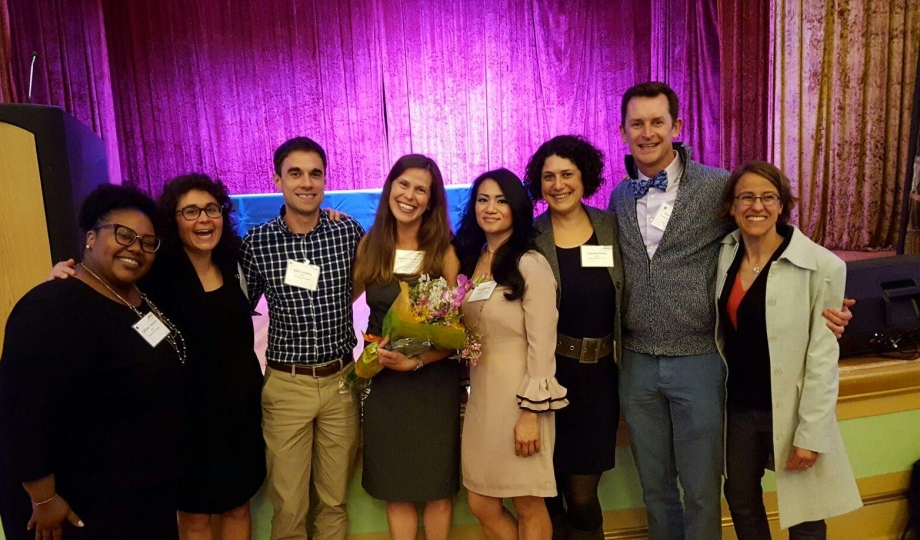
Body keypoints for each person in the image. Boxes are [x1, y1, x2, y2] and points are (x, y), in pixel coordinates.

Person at [606, 81, 854, 540]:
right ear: (623, 131)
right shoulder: (620, 197)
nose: (647, 133)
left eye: (657, 122)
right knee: (655, 488)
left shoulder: (720, 185)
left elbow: (773, 232)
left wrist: (826, 295)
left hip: (699, 359)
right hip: (637, 361)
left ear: (676, 127)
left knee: (701, 490)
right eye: (637, 124)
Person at [44, 175, 267, 540]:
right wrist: (64, 273)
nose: (203, 219)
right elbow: (106, 284)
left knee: (238, 506)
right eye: (190, 211)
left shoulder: (232, 261)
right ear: (173, 220)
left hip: (238, 412)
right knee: (195, 515)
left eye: (211, 209)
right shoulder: (156, 271)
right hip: (183, 417)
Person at [0, 184, 186, 540]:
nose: (136, 248)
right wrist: (44, 499)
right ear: (89, 237)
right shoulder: (51, 308)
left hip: (141, 496)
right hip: (86, 506)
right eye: (124, 235)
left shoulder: (136, 298)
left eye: (148, 242)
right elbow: (22, 413)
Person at [715, 161, 862, 538]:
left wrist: (811, 434)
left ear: (782, 205)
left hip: (792, 410)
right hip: (740, 409)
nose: (757, 206)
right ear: (732, 206)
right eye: (746, 197)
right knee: (742, 501)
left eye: (768, 197)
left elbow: (823, 359)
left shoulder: (822, 265)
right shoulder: (724, 254)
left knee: (805, 515)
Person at [240, 136, 365, 540]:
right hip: (286, 386)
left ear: (325, 181)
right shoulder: (258, 243)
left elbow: (369, 282)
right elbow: (235, 308)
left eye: (315, 174)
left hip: (341, 383)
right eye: (296, 173)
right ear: (278, 179)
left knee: (333, 502)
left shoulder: (346, 232)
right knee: (290, 507)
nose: (307, 183)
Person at [352, 154, 462, 540]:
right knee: (395, 490)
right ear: (389, 188)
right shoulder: (370, 245)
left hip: (432, 385)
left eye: (421, 189)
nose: (410, 195)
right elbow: (346, 300)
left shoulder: (444, 252)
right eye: (403, 184)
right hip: (386, 385)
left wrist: (417, 362)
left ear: (431, 201)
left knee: (436, 488)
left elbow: (457, 332)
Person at [455, 168, 568, 540]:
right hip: (482, 398)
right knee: (481, 502)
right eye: (483, 199)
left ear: (517, 208)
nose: (491, 208)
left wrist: (530, 413)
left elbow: (542, 344)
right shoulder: (473, 261)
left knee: (527, 503)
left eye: (501, 200)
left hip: (521, 398)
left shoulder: (529, 263)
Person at [525, 135, 624, 540]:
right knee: (547, 496)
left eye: (567, 174)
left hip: (599, 380)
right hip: (547, 379)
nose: (558, 184)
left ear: (585, 177)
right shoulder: (529, 235)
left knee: (582, 498)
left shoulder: (610, 226)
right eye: (548, 176)